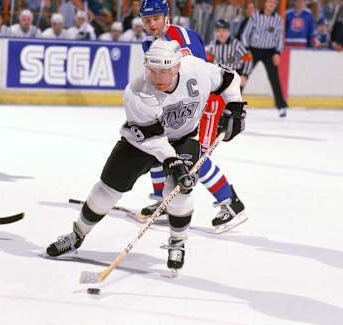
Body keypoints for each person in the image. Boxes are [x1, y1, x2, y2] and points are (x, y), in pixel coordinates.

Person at [46, 39, 246, 272]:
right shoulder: (137, 91)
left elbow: (230, 77)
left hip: (183, 138)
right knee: (106, 190)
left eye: (165, 71)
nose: (158, 77)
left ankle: (177, 242)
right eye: (153, 70)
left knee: (180, 190)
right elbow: (154, 139)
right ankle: (76, 234)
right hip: (141, 143)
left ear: (178, 67)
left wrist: (235, 108)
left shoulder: (198, 70)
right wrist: (173, 162)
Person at [138, 0, 247, 232]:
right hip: (180, 104)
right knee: (157, 146)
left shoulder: (180, 38)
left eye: (155, 18)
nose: (151, 24)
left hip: (204, 101)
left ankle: (232, 204)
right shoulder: (149, 41)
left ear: (166, 16)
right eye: (147, 20)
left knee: (195, 158)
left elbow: (196, 76)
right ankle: (163, 201)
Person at [242, 0, 288, 117]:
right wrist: (247, 50)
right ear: (265, 3)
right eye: (269, 2)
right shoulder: (255, 16)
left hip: (270, 52)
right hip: (253, 51)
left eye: (274, 3)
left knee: (274, 79)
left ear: (276, 5)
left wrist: (277, 52)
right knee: (244, 75)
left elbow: (279, 37)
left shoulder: (278, 19)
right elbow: (245, 34)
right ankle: (231, 102)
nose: (271, 5)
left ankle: (281, 106)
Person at [206, 19, 253, 90]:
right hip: (219, 75)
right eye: (218, 31)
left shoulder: (236, 44)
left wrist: (245, 75)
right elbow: (208, 63)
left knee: (234, 99)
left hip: (235, 74)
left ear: (228, 32)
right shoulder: (212, 45)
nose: (221, 34)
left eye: (224, 31)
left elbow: (248, 59)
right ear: (215, 32)